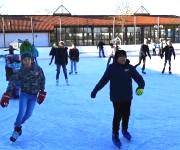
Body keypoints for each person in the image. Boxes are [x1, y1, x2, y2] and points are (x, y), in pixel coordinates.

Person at [90, 50, 145, 148]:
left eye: (124, 56)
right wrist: (95, 90)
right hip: (116, 97)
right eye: (120, 57)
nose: (123, 58)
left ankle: (124, 130)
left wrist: (141, 86)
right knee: (117, 115)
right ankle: (115, 134)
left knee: (126, 114)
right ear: (116, 58)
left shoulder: (129, 67)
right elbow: (103, 80)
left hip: (127, 96)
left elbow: (139, 78)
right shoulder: (111, 68)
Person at [0, 52, 46, 142]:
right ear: (22, 61)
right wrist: (7, 94)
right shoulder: (20, 71)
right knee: (21, 112)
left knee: (28, 114)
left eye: (28, 59)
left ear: (31, 59)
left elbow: (42, 79)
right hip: (24, 94)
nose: (27, 61)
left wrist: (42, 91)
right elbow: (12, 82)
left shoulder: (38, 69)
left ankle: (18, 126)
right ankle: (16, 131)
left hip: (33, 96)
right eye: (24, 60)